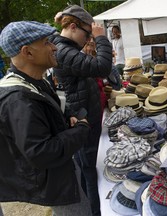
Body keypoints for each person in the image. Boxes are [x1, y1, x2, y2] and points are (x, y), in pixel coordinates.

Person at [0, 21, 92, 215]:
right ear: (28, 52)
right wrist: (81, 129)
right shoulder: (19, 99)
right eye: (46, 42)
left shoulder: (34, 82)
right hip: (56, 181)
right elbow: (41, 152)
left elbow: (50, 111)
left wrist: (67, 117)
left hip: (60, 171)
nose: (54, 47)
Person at [49, 5, 112, 216]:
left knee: (88, 170)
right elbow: (103, 67)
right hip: (84, 122)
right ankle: (95, 212)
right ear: (74, 27)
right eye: (87, 34)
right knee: (90, 171)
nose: (88, 39)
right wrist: (101, 38)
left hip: (86, 117)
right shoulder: (65, 52)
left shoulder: (65, 47)